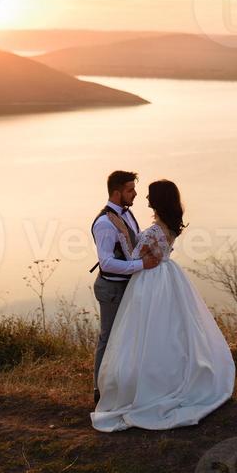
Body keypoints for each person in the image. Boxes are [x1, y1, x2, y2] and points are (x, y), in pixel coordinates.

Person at [91, 179, 235, 432]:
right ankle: (172, 375)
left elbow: (134, 256)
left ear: (157, 200)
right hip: (168, 276)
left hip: (150, 282)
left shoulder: (153, 231)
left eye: (149, 196)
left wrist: (123, 235)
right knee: (172, 331)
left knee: (145, 332)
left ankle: (145, 385)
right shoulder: (170, 226)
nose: (145, 199)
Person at [91, 169, 159, 405]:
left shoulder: (127, 215)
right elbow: (107, 264)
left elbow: (134, 240)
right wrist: (142, 264)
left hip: (126, 287)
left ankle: (123, 387)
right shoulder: (103, 223)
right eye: (130, 190)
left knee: (127, 338)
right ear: (117, 193)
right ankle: (99, 391)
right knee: (108, 339)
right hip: (110, 289)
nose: (136, 194)